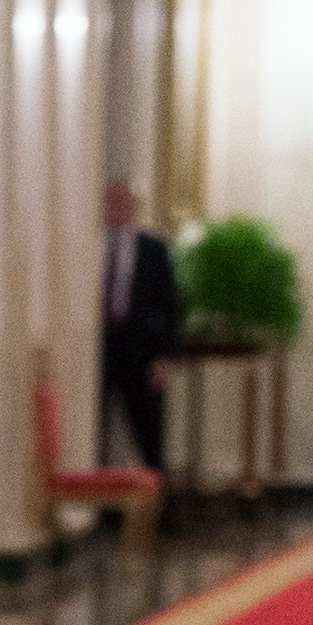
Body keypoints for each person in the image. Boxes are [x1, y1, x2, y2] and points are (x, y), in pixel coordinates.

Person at [96, 176, 182, 469]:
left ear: (132, 206)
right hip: (100, 347)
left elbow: (168, 305)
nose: (116, 208)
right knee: (93, 429)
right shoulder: (88, 246)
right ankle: (102, 503)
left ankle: (155, 504)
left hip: (139, 351)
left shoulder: (152, 249)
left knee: (149, 432)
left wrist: (161, 355)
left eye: (122, 201)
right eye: (110, 201)